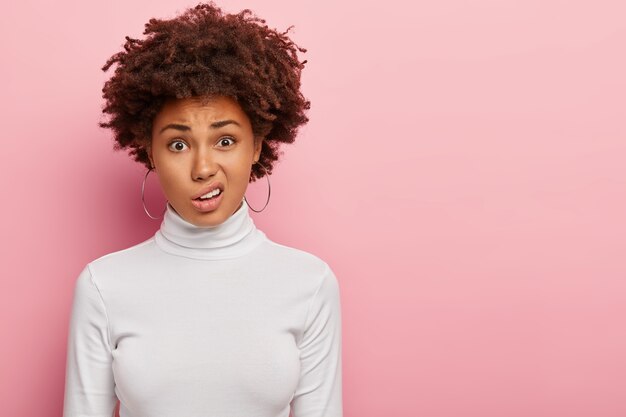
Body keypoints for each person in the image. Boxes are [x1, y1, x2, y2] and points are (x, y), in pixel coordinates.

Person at [62, 3, 343, 417]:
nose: (203, 168)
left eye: (225, 140)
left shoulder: (310, 284)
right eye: (178, 144)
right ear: (149, 152)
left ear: (257, 146)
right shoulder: (103, 287)